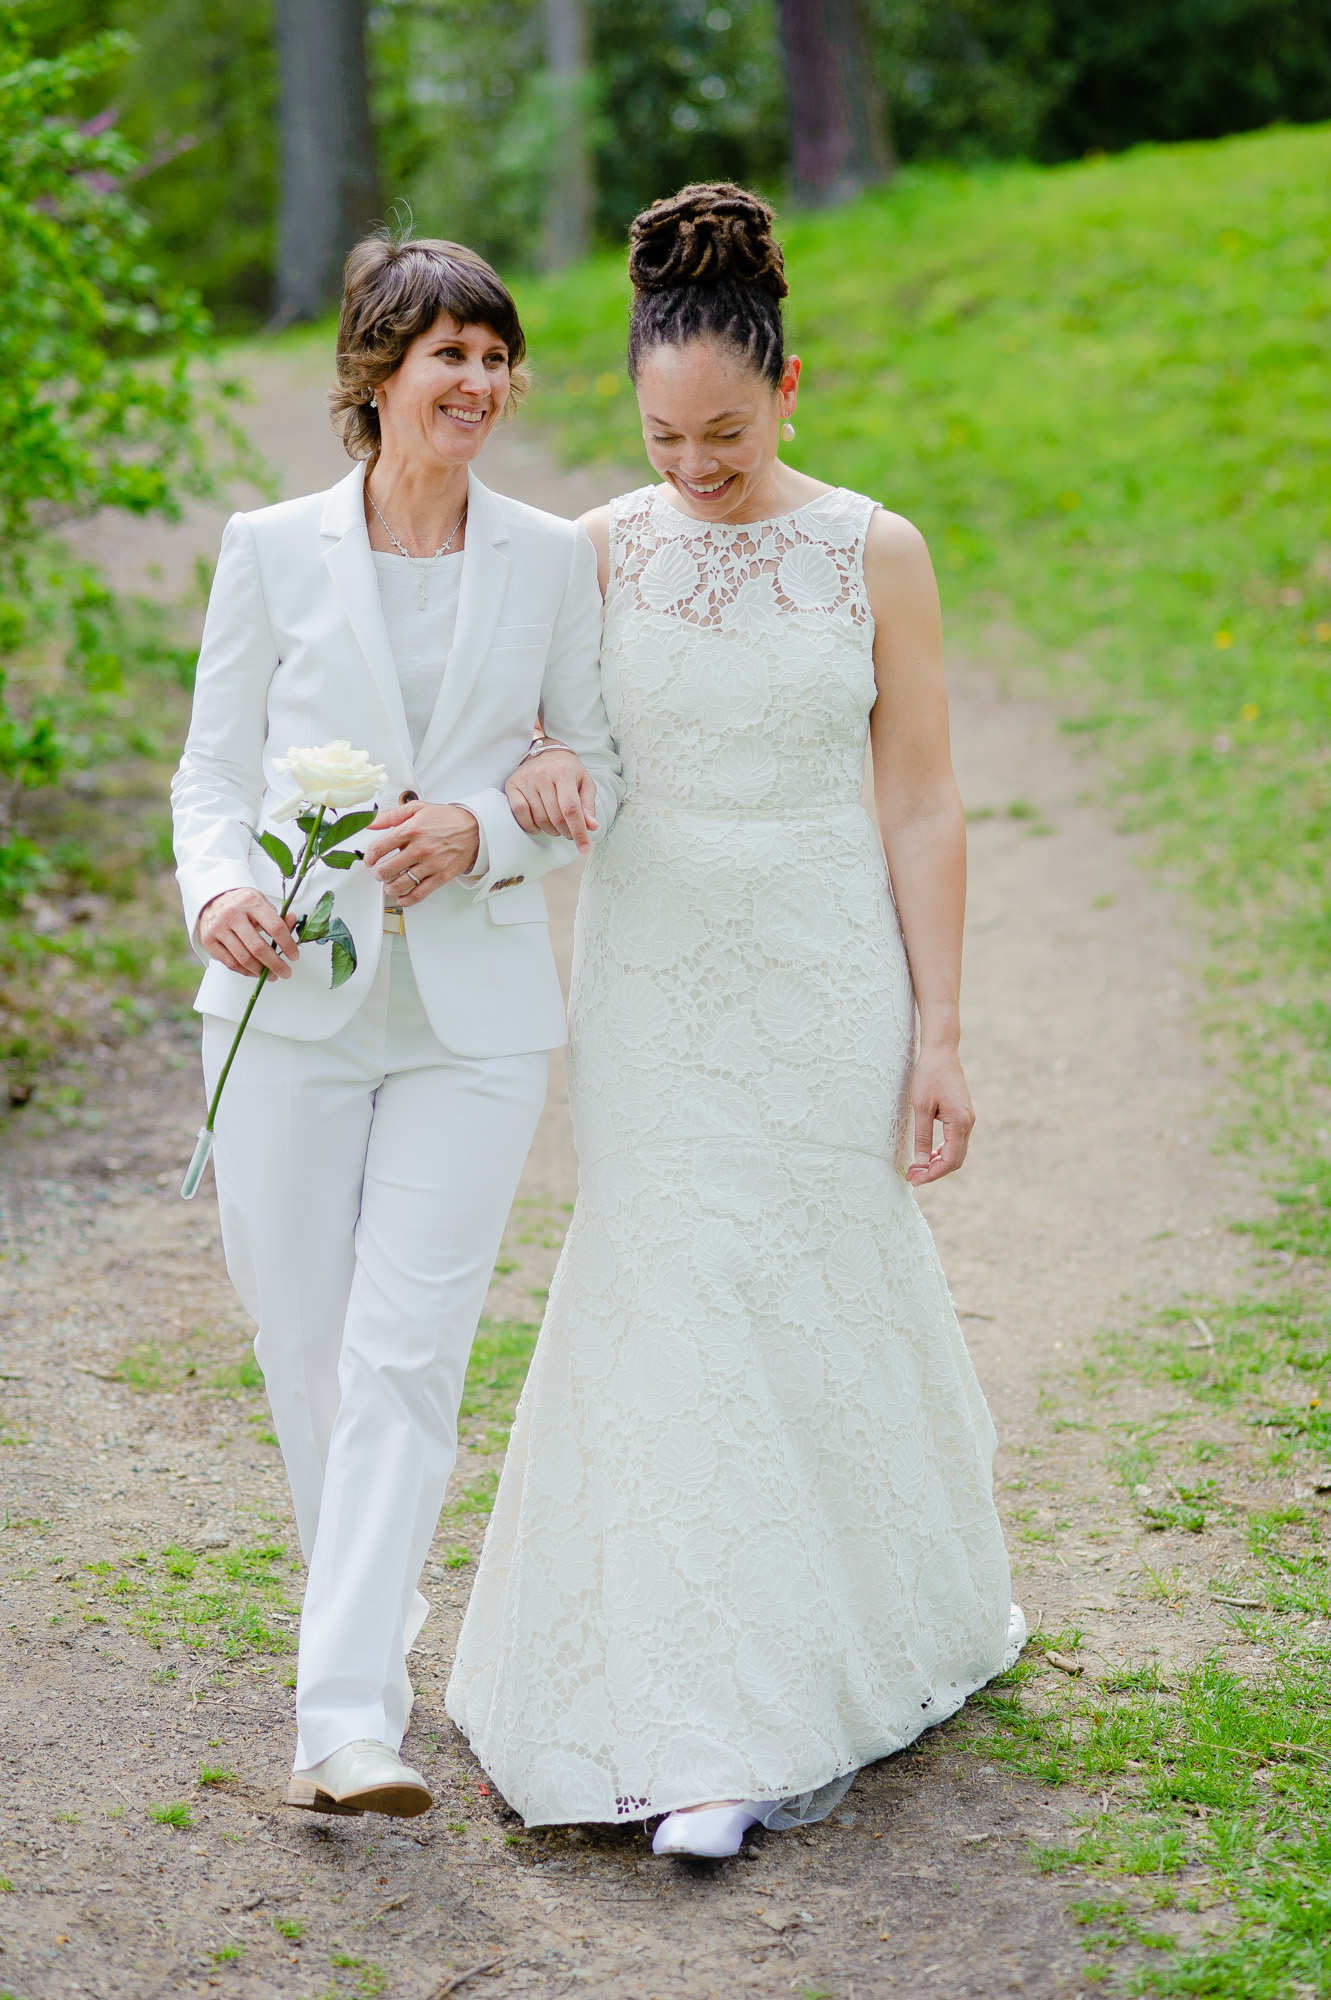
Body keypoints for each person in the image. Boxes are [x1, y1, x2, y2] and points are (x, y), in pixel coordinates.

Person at [445, 183, 1024, 1859]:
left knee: (815, 1285)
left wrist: (941, 1031)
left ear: (788, 389)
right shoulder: (594, 553)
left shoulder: (875, 551)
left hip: (825, 975)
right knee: (674, 1299)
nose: (695, 467)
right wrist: (537, 773)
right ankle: (705, 1722)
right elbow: (530, 743)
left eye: (725, 434)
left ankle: (845, 1641)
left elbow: (921, 801)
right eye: (663, 437)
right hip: (651, 984)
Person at [171, 232, 622, 1818]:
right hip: (288, 998)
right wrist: (218, 894)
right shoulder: (270, 550)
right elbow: (211, 774)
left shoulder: (553, 559)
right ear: (378, 374)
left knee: (408, 1355)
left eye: (497, 358)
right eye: (451, 356)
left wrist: (487, 829)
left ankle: (344, 1721)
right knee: (311, 1352)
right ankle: (369, 1620)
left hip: (474, 1020)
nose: (480, 383)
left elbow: (595, 772)